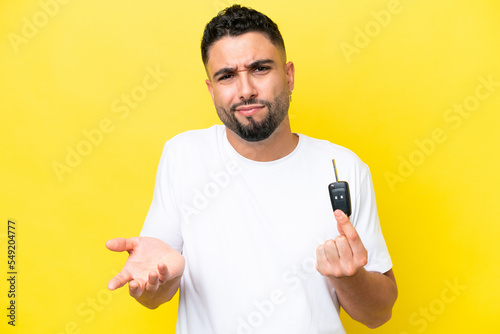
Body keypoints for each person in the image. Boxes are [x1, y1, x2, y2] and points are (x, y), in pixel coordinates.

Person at [106, 4, 397, 333]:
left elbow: (378, 314)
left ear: (288, 76)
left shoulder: (343, 168)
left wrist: (350, 278)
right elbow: (154, 292)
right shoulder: (182, 156)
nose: (245, 90)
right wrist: (156, 285)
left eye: (260, 68)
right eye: (227, 76)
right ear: (211, 89)